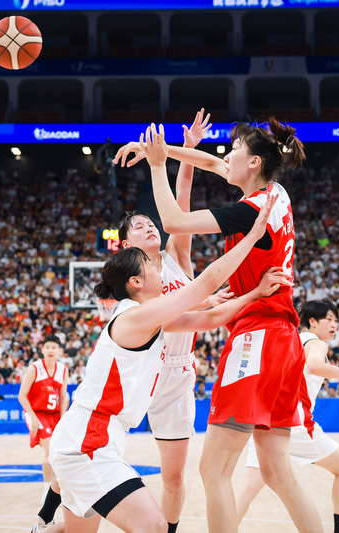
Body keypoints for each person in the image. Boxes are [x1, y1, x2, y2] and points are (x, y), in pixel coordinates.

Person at [42, 191, 289, 533]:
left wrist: (254, 293)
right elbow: (205, 285)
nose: (160, 272)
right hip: (90, 439)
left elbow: (208, 318)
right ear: (137, 282)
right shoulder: (136, 317)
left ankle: (42, 525)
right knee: (155, 527)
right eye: (148, 267)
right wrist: (252, 236)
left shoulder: (149, 317)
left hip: (98, 436)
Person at [115, 119, 318, 533]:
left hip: (257, 335)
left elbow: (172, 220)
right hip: (283, 338)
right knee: (277, 472)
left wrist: (156, 166)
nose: (225, 157)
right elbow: (209, 160)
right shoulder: (275, 192)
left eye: (234, 150)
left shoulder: (250, 208)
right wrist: (167, 150)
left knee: (213, 471)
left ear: (254, 161)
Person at [117, 109, 222, 533]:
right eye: (139, 226)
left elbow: (183, 201)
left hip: (177, 377)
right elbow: (173, 321)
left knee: (175, 477)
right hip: (136, 372)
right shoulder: (128, 281)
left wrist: (189, 151)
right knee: (94, 453)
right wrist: (211, 304)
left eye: (150, 223)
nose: (149, 227)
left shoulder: (177, 258)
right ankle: (56, 512)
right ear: (125, 243)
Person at [236, 300, 339, 533]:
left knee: (250, 486)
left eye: (336, 320)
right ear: (312, 321)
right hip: (295, 422)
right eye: (329, 319)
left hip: (265, 418)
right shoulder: (317, 343)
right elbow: (313, 366)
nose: (334, 324)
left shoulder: (289, 338)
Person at [19, 335, 69, 530]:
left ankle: (55, 490)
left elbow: (63, 396)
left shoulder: (63, 369)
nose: (50, 349)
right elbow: (22, 395)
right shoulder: (34, 368)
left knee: (61, 453)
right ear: (42, 349)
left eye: (54, 347)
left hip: (55, 416)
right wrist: (32, 417)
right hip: (36, 413)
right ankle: (46, 491)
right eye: (47, 346)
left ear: (59, 350)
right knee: (49, 450)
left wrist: (63, 419)